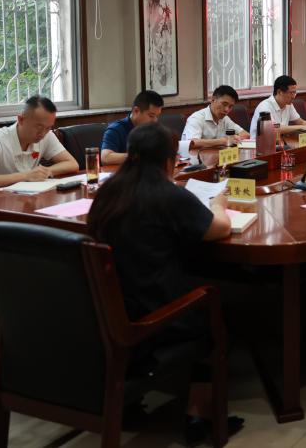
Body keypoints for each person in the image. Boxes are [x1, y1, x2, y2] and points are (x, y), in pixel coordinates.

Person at [87, 123, 234, 440]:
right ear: (170, 161)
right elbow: (220, 229)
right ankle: (199, 414)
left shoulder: (108, 193)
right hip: (153, 314)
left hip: (109, 308)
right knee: (212, 305)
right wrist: (218, 205)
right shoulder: (168, 195)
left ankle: (131, 400)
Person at [0, 95, 79, 195]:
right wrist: (26, 176)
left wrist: (46, 172)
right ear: (21, 120)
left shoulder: (46, 135)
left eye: (48, 127)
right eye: (38, 127)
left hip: (11, 198)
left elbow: (72, 164)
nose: (43, 133)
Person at [100, 90, 164, 165]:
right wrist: (139, 156)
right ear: (136, 111)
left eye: (157, 116)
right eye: (151, 116)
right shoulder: (115, 129)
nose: (155, 120)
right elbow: (106, 157)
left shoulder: (153, 129)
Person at [182, 85, 249, 150]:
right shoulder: (196, 118)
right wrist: (222, 141)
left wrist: (235, 138)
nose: (227, 110)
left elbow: (245, 134)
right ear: (213, 99)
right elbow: (191, 143)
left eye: (230, 106)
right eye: (224, 104)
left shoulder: (225, 119)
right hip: (196, 157)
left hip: (217, 156)